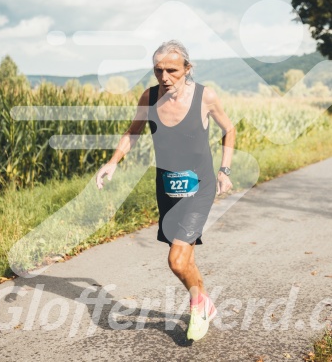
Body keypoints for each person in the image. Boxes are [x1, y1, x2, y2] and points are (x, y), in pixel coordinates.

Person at [96, 40, 235, 341]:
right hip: (168, 187)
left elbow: (229, 128)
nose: (164, 76)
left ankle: (199, 307)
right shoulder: (149, 97)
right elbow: (132, 133)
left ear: (188, 68)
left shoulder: (204, 97)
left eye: (172, 70)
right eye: (158, 70)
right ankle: (205, 302)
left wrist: (225, 170)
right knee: (186, 257)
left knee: (176, 260)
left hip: (199, 186)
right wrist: (113, 163)